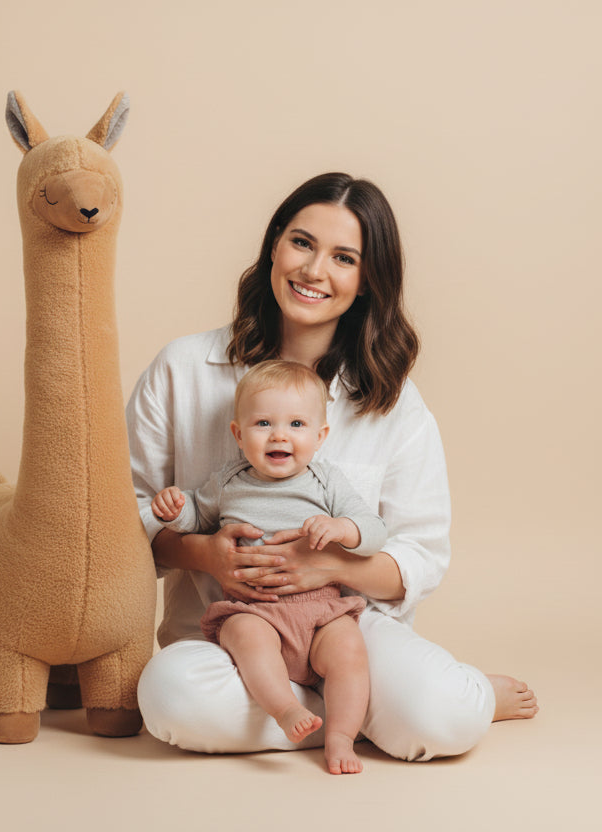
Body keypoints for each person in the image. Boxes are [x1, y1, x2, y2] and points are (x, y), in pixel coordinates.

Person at [127, 172, 538, 763]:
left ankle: (418, 698)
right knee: (170, 700)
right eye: (301, 243)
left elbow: (419, 556)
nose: (314, 271)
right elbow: (129, 520)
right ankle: (356, 715)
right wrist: (205, 553)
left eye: (344, 257)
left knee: (444, 719)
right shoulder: (182, 369)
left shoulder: (394, 401)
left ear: (367, 280)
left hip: (347, 625)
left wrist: (327, 564)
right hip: (228, 631)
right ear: (274, 245)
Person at [152, 359, 386, 773]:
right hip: (254, 607)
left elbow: (374, 530)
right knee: (244, 636)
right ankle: (285, 711)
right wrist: (174, 509)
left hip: (321, 611)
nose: (280, 434)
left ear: (320, 436)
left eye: (297, 424)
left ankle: (340, 737)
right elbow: (195, 517)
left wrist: (340, 528)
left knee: (350, 650)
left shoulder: (326, 482)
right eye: (263, 424)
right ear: (238, 435)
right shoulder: (228, 481)